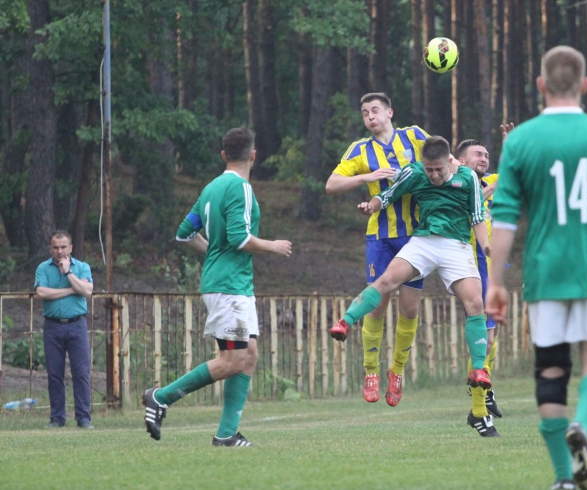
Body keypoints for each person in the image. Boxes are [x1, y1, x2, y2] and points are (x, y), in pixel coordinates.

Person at [485, 46, 587, 490]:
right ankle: (583, 427)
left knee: (551, 371)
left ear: (540, 85)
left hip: (546, 274)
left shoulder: (519, 141)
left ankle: (564, 478)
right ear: (585, 85)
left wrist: (496, 282)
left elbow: (502, 221)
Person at [143, 127, 292, 446]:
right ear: (253, 155)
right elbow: (240, 238)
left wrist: (213, 251)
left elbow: (184, 233)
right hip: (229, 286)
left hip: (229, 283)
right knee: (233, 361)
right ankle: (161, 396)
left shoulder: (211, 187)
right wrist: (273, 246)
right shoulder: (241, 187)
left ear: (224, 155)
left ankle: (226, 435)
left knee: (248, 355)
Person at [329, 136, 493, 395]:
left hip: (457, 246)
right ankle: (345, 322)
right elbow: (388, 196)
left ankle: (479, 369)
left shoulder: (468, 178)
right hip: (424, 241)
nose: (434, 175)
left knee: (475, 304)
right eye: (429, 170)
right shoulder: (414, 173)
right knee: (385, 281)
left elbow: (477, 216)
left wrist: (485, 247)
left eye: (439, 169)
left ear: (449, 162)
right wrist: (371, 205)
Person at [325, 92, 429, 407]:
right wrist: (367, 177)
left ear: (389, 112)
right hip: (380, 237)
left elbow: (442, 159)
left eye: (375, 110)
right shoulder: (360, 150)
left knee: (409, 308)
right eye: (365, 112)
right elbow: (331, 184)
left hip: (417, 236)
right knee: (378, 306)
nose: (370, 116)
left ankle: (396, 371)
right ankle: (371, 371)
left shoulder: (414, 136)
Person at [455, 132, 510, 437]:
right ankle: (479, 410)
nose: (484, 158)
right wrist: (492, 188)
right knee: (483, 341)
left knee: (492, 337)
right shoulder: (457, 182)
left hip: (494, 268)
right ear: (461, 161)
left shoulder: (491, 179)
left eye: (487, 154)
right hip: (471, 268)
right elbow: (468, 210)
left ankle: (484, 391)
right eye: (478, 154)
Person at [34, 231, 94, 429]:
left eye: (63, 247)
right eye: (55, 247)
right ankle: (57, 418)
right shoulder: (43, 268)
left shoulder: (82, 267)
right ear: (50, 248)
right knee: (54, 374)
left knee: (81, 373)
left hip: (77, 325)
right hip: (52, 326)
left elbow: (87, 291)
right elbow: (41, 292)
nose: (59, 251)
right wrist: (71, 289)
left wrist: (68, 273)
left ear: (71, 248)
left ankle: (83, 418)